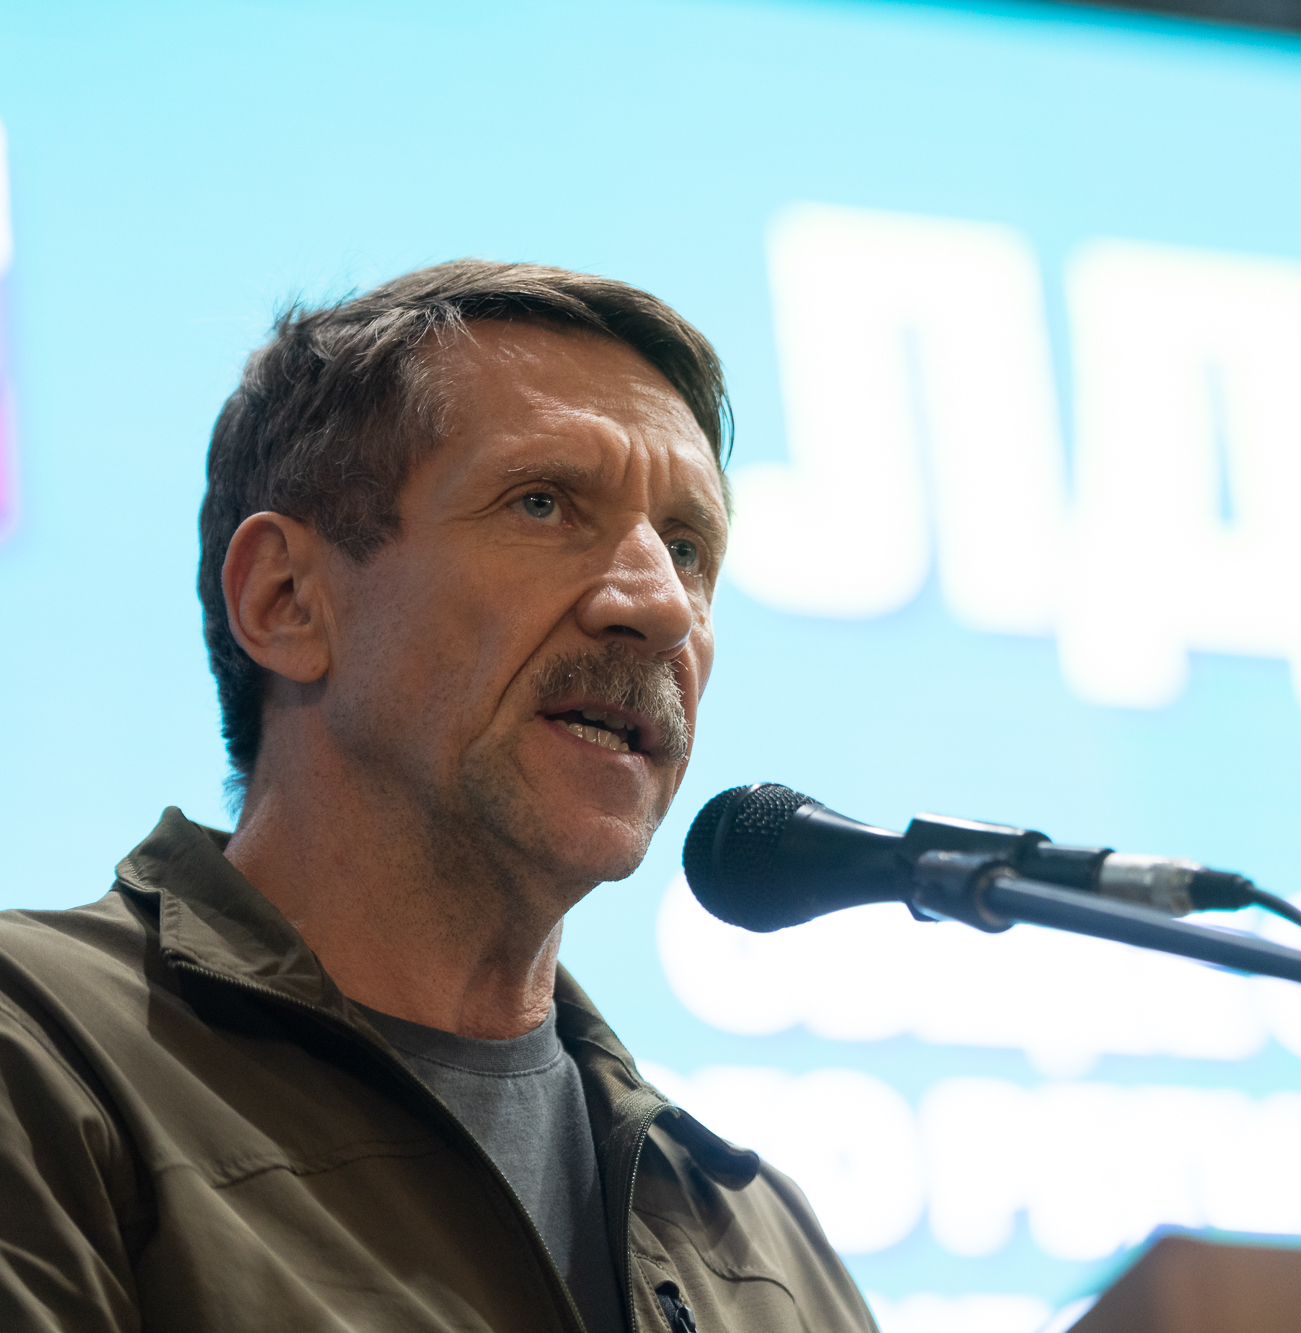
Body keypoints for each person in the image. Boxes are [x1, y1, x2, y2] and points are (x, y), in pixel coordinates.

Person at [0, 261, 879, 1333]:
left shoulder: (763, 1247)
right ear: (286, 600)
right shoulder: (40, 1053)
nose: (658, 603)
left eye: (688, 548)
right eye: (543, 504)